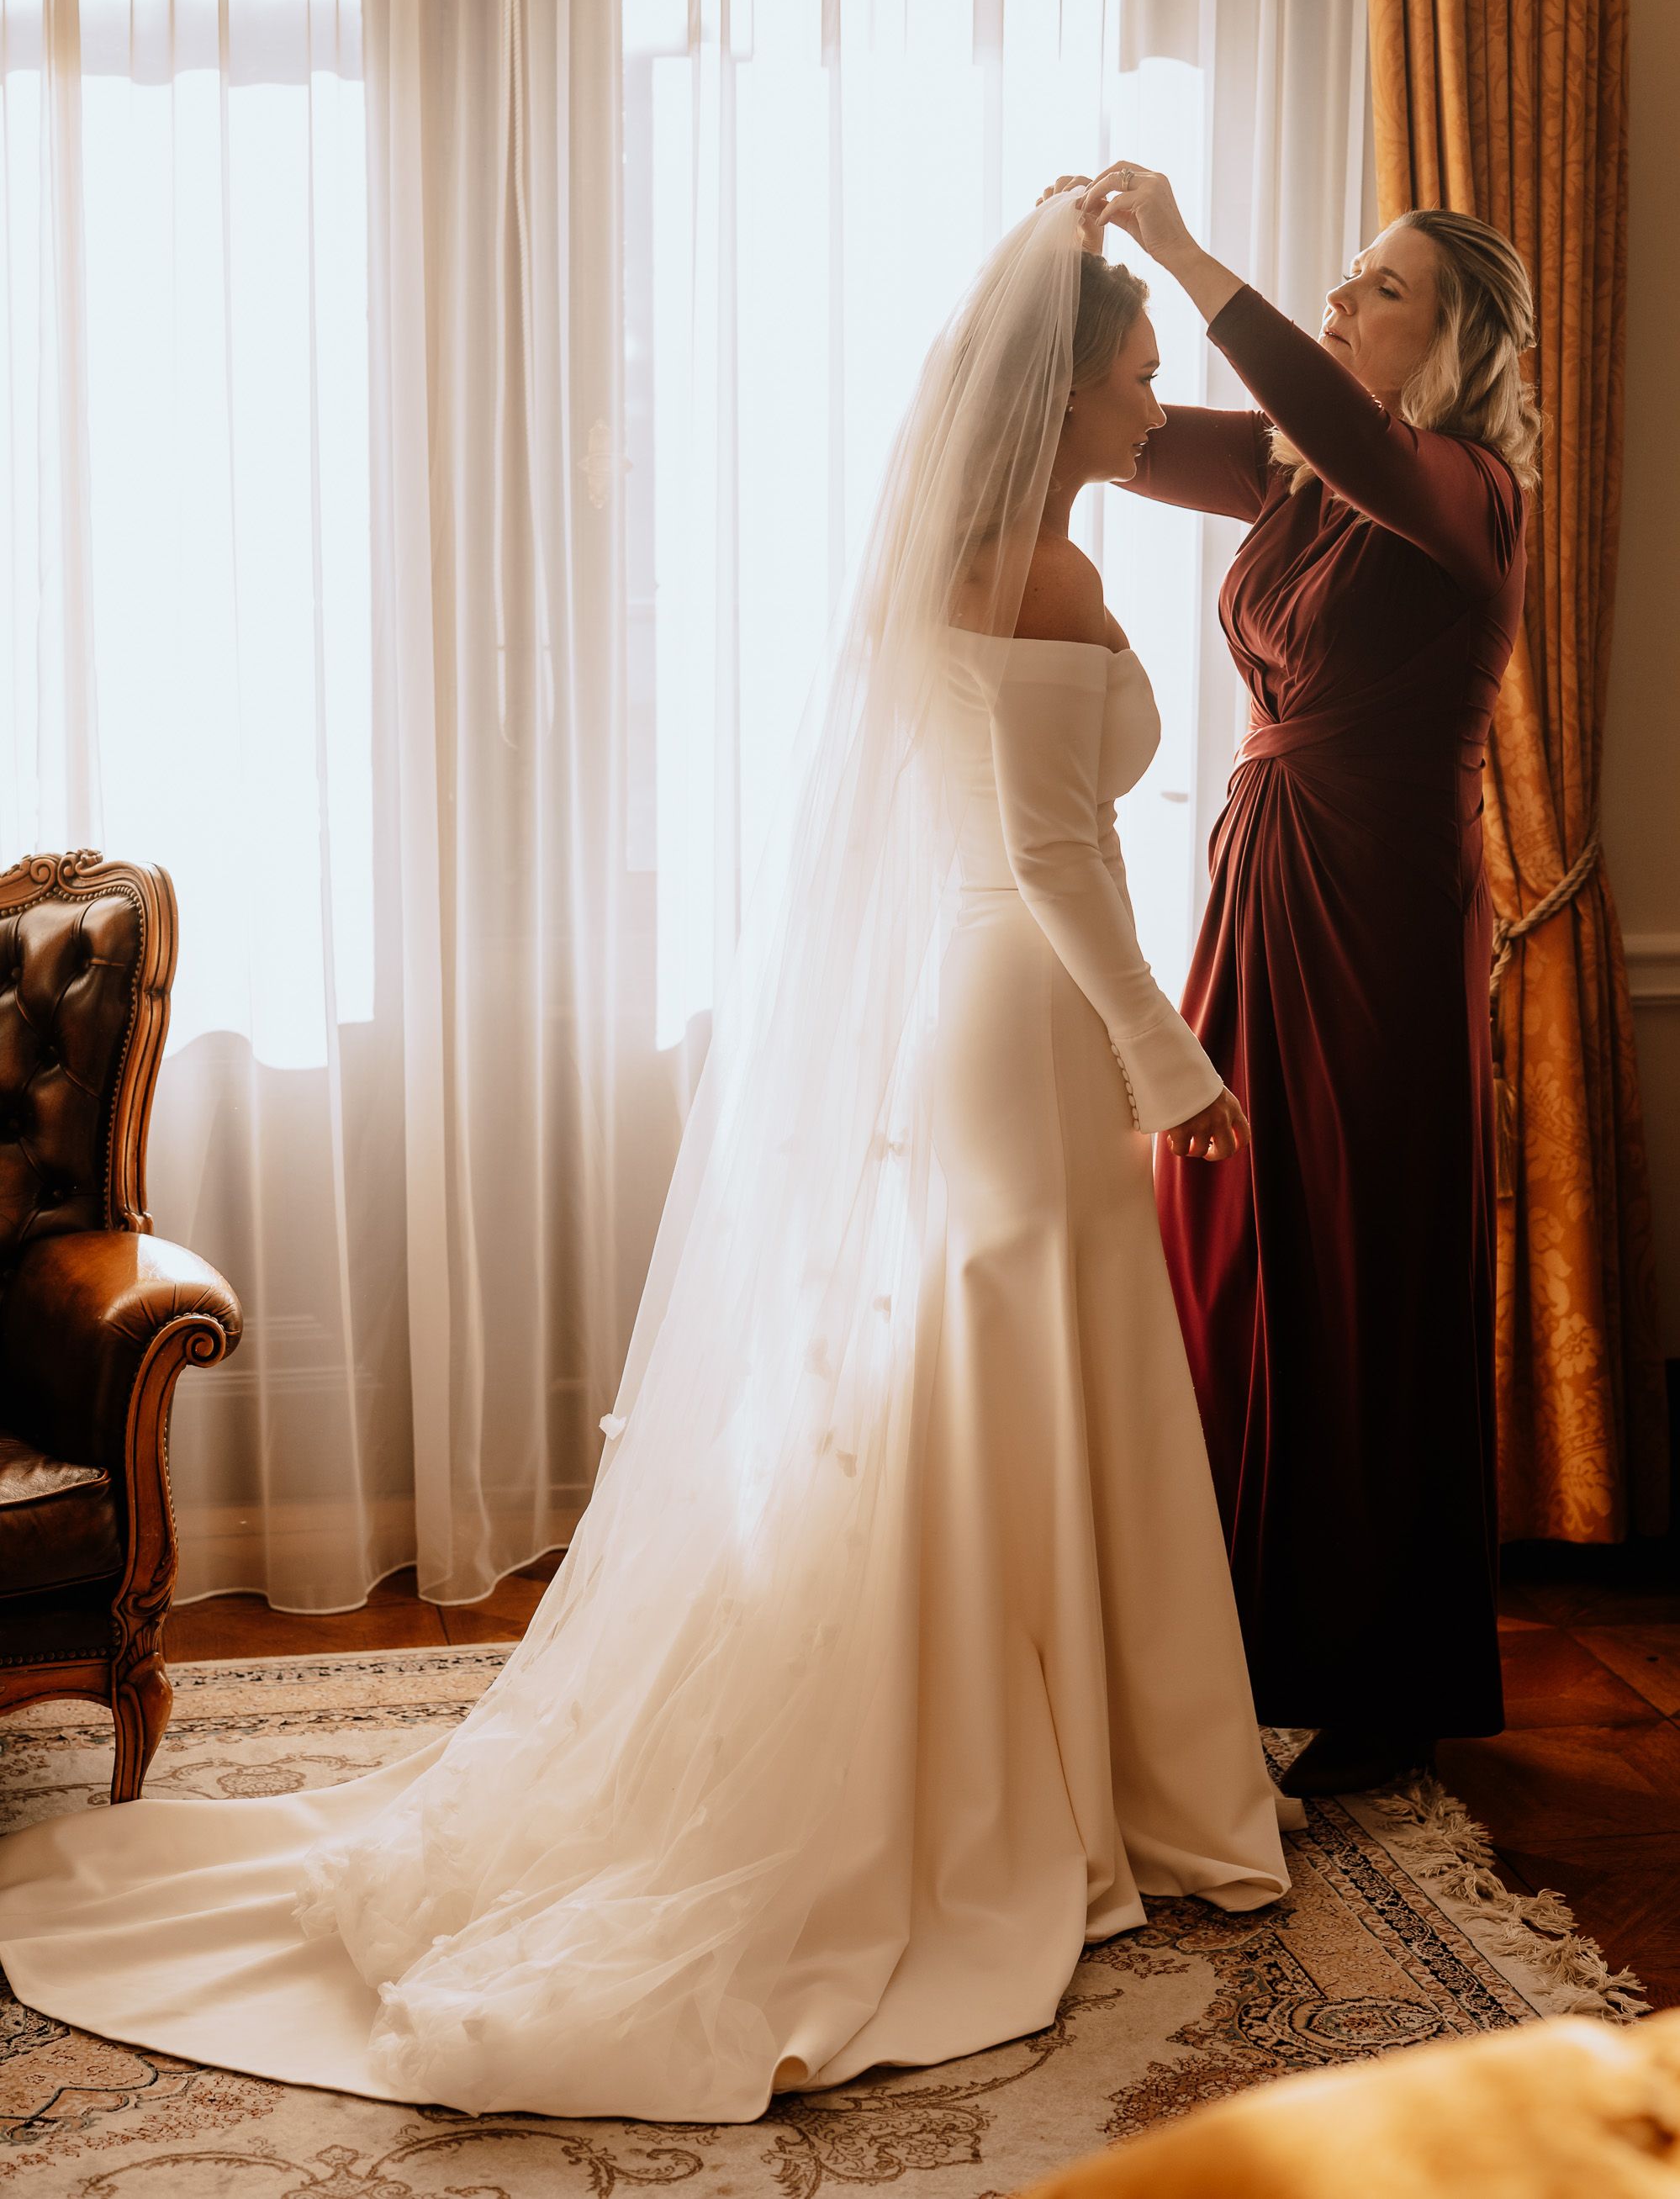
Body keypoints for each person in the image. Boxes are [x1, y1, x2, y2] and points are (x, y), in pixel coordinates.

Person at [0, 195, 1296, 2125]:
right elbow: (1050, 857)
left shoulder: (971, 554)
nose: (1156, 401)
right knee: (1029, 1374)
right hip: (1030, 1005)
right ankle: (1052, 1777)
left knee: (993, 1380)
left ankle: (1067, 1755)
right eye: (1135, 371)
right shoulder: (1044, 576)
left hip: (984, 1006)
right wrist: (1172, 1057)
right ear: (1064, 387)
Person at [1039, 162, 1535, 1797]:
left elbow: (1337, 417)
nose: (1340, 299)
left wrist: (1184, 249)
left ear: (1457, 341)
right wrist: (1062, 284)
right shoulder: (1303, 478)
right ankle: (1248, 1625)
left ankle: (1386, 1679)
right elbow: (1109, 433)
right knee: (1241, 1237)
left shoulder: (1465, 490)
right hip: (1267, 879)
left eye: (1379, 288)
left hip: (1385, 910)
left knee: (1361, 1253)